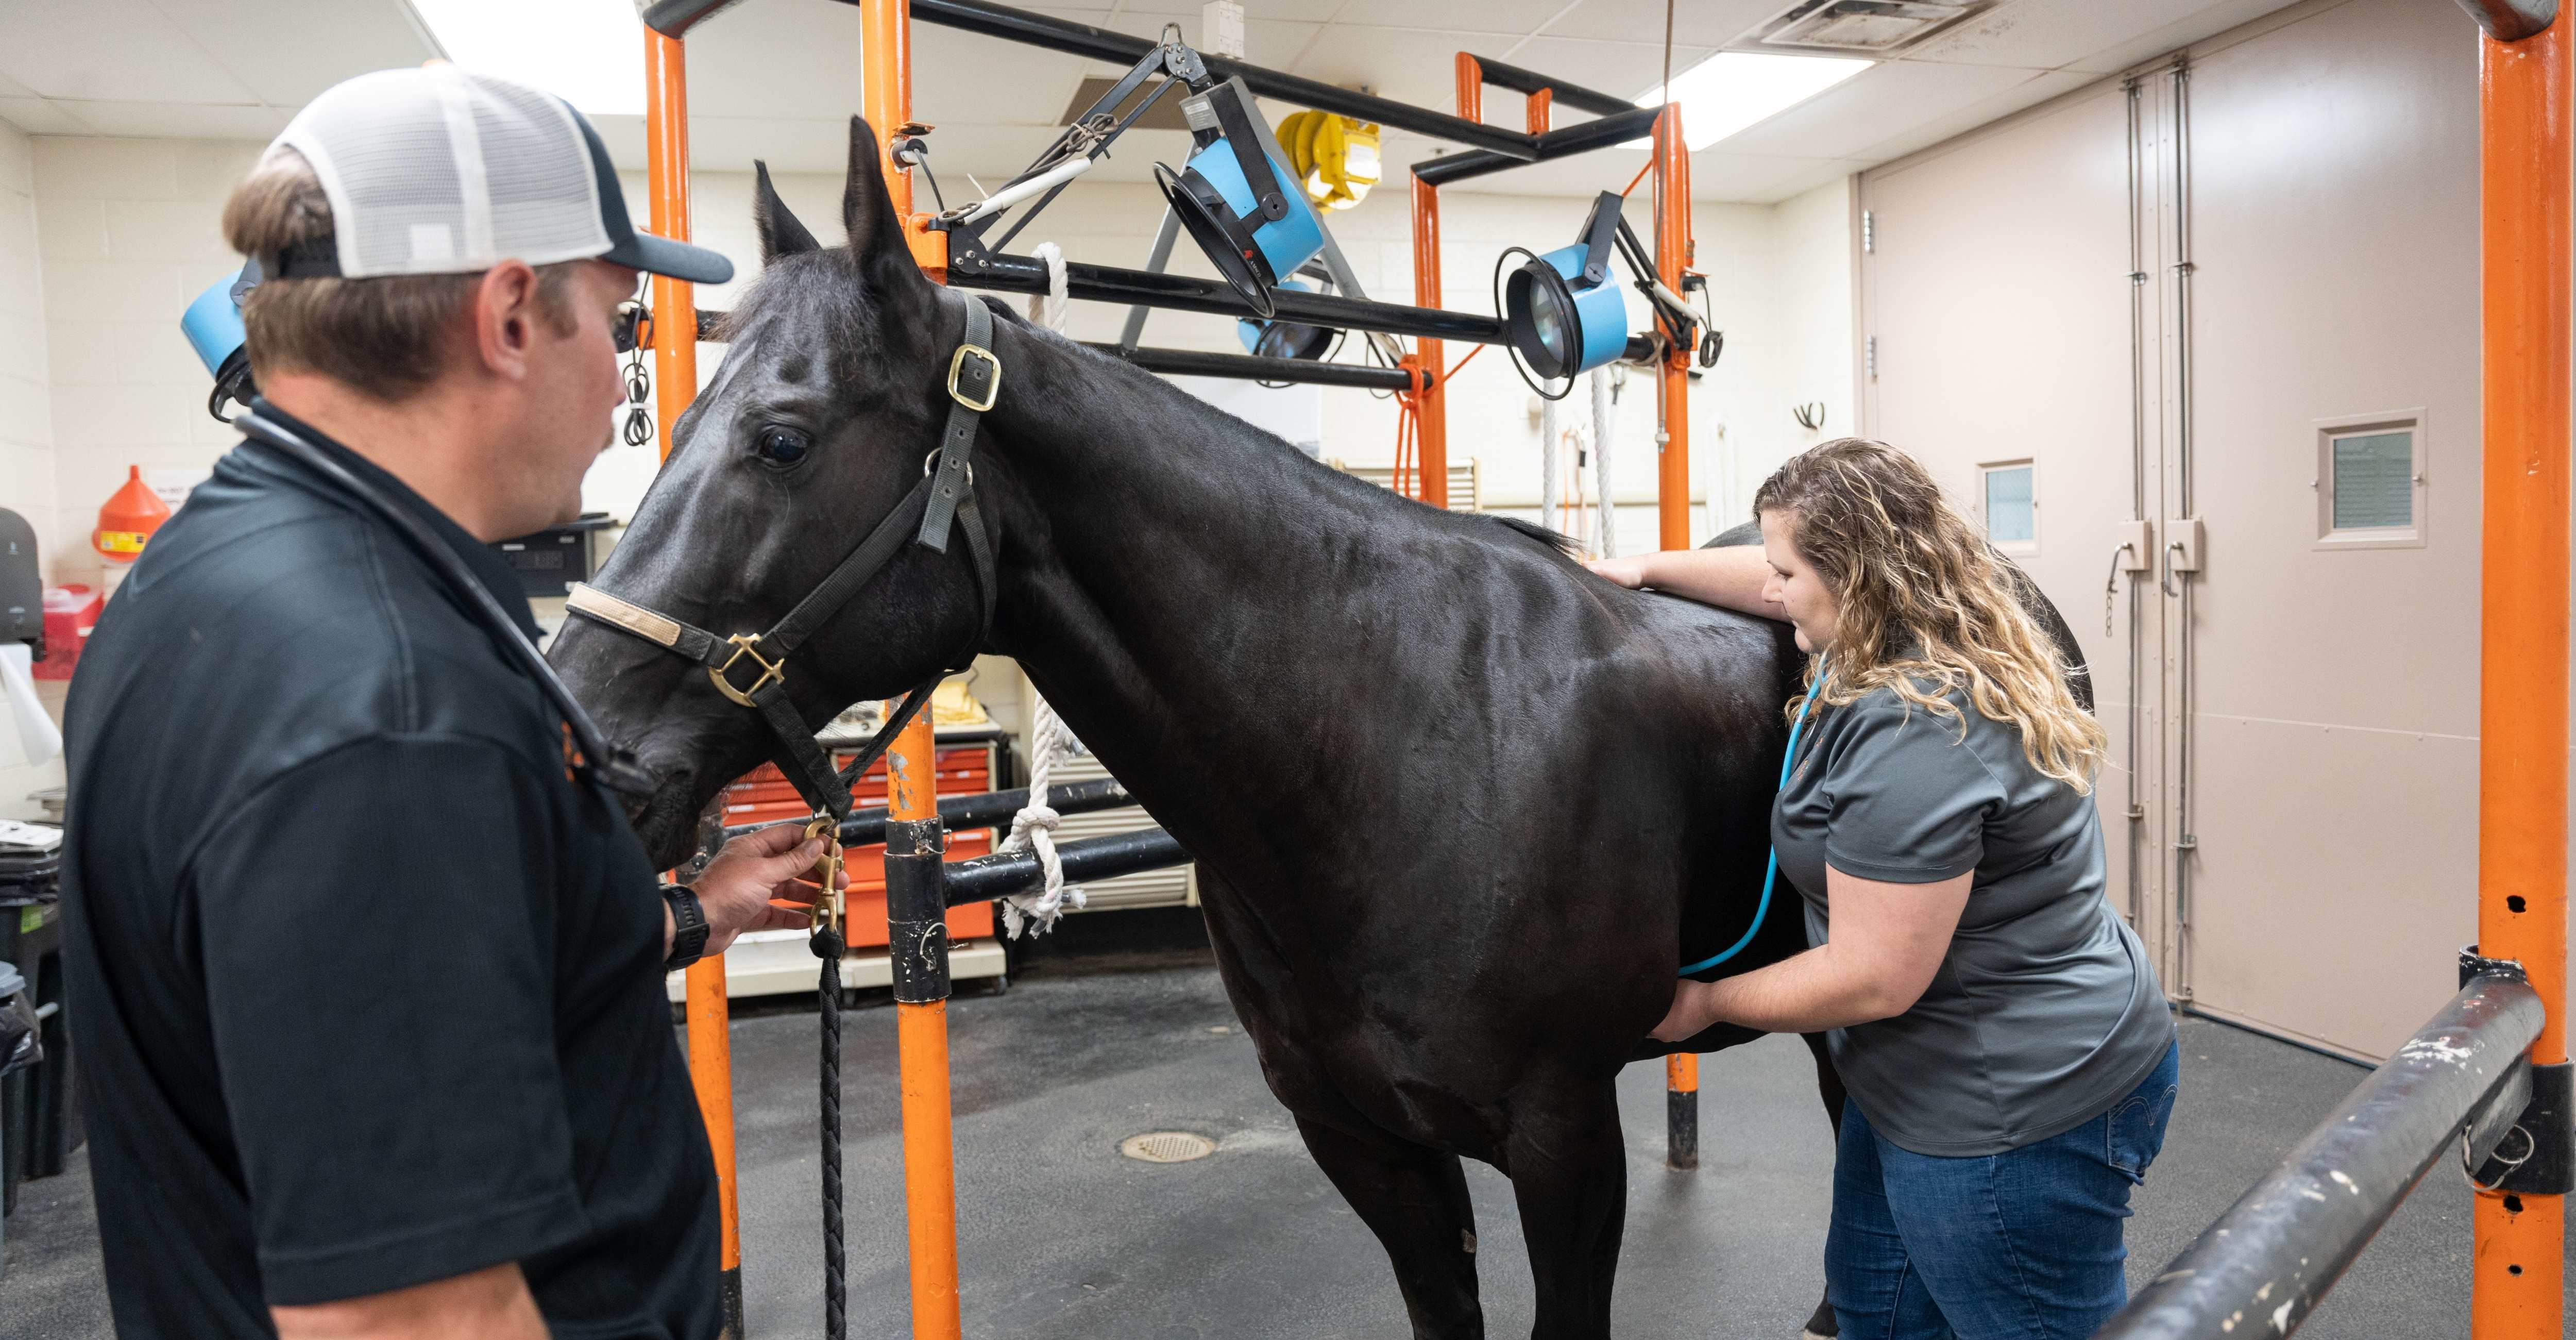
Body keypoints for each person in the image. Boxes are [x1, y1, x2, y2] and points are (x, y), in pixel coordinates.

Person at [62, 67, 828, 1339]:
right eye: (623, 323)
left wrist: (695, 913)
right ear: (513, 314)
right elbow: (406, 1318)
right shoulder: (389, 714)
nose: (627, 378)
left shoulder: (216, 568)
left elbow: (428, 986)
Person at [1589, 438, 2179, 1340]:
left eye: (1791, 571)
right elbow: (1764, 576)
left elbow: (1874, 978)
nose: (1774, 589)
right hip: (1910, 1081)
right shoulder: (1910, 611)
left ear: (1853, 574)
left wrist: (1703, 1002)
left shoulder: (1918, 731)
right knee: (1878, 1317)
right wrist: (1640, 568)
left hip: (2007, 1108)